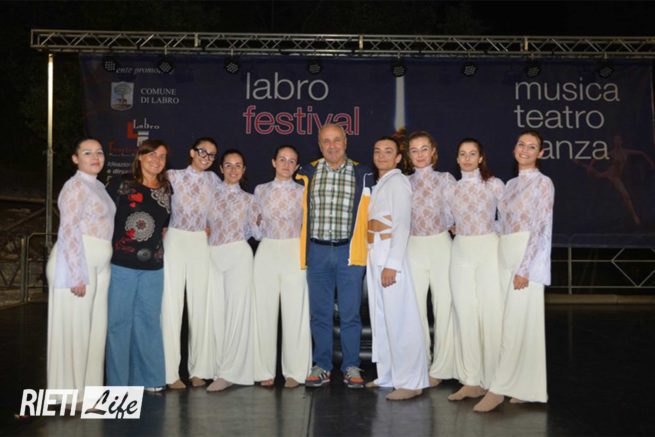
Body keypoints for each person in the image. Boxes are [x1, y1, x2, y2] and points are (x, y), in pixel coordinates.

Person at [474, 130, 554, 412]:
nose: (525, 150)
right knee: (515, 323)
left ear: (540, 153)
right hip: (504, 251)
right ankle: (526, 388)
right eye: (521, 144)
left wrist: (525, 268)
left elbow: (540, 227)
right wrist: (472, 227)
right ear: (514, 148)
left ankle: (498, 388)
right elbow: (502, 224)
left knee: (514, 324)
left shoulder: (543, 183)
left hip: (525, 255)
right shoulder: (509, 185)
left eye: (532, 147)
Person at [297, 123, 373, 388]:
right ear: (319, 145)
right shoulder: (306, 172)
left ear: (345, 142)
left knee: (351, 314)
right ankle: (322, 366)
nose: (332, 146)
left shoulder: (364, 174)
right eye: (326, 141)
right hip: (317, 252)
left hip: (349, 253)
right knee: (320, 314)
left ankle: (351, 366)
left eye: (336, 140)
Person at [46, 138, 115, 404]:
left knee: (94, 333)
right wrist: (76, 274)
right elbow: (69, 229)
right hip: (76, 264)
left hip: (99, 265)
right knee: (75, 333)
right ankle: (69, 396)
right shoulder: (74, 186)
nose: (95, 157)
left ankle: (89, 393)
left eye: (99, 152)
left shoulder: (98, 186)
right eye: (87, 153)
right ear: (75, 159)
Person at [105, 139, 171, 392]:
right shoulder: (120, 184)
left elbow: (165, 226)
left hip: (153, 268)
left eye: (162, 156)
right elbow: (103, 219)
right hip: (122, 264)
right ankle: (118, 383)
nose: (157, 160)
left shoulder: (166, 189)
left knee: (149, 322)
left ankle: (151, 379)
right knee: (118, 324)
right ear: (140, 156)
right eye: (151, 154)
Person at [365, 136, 428, 401]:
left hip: (390, 255)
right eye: (377, 151)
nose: (382, 155)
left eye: (388, 151)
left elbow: (401, 224)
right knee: (382, 318)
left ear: (399, 158)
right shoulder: (381, 183)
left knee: (401, 319)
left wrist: (392, 264)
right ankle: (389, 375)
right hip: (375, 252)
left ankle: (411, 381)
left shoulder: (399, 182)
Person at [161, 137, 222, 389]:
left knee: (201, 306)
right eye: (202, 151)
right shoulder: (172, 176)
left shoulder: (214, 180)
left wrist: (213, 227)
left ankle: (199, 370)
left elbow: (222, 211)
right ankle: (170, 373)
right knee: (170, 306)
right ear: (191, 152)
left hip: (200, 242)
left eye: (211, 154)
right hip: (175, 239)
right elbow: (155, 203)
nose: (206, 157)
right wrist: (161, 227)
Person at [447, 138, 505, 401]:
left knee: (491, 315)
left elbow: (509, 217)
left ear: (481, 158)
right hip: (460, 251)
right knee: (465, 314)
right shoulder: (451, 189)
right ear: (457, 158)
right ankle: (471, 380)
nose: (467, 158)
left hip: (489, 249)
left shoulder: (494, 184)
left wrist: (491, 228)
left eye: (472, 154)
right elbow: (447, 219)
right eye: (463, 154)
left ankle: (494, 381)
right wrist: (454, 226)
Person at [253, 145, 312, 389]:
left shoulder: (303, 191)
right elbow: (255, 230)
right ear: (273, 162)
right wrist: (256, 224)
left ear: (297, 166)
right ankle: (263, 370)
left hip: (294, 250)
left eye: (291, 160)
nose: (286, 164)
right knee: (262, 312)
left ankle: (295, 372)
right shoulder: (260, 190)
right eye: (282, 159)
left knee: (295, 312)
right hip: (266, 250)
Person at [406, 131, 457, 387]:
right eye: (414, 150)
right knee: (415, 309)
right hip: (413, 246)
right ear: (408, 155)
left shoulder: (445, 179)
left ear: (433, 152)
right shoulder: (404, 183)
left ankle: (441, 367)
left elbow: (457, 212)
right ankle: (420, 363)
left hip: (440, 245)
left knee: (444, 307)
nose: (420, 154)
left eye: (424, 149)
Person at [206, 149, 258, 392]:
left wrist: (262, 221)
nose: (233, 170)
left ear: (244, 170)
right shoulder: (209, 196)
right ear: (221, 168)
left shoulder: (250, 199)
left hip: (239, 254)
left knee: (238, 314)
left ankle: (231, 372)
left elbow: (257, 233)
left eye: (238, 165)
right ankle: (216, 368)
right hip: (212, 254)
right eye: (228, 165)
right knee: (215, 313)